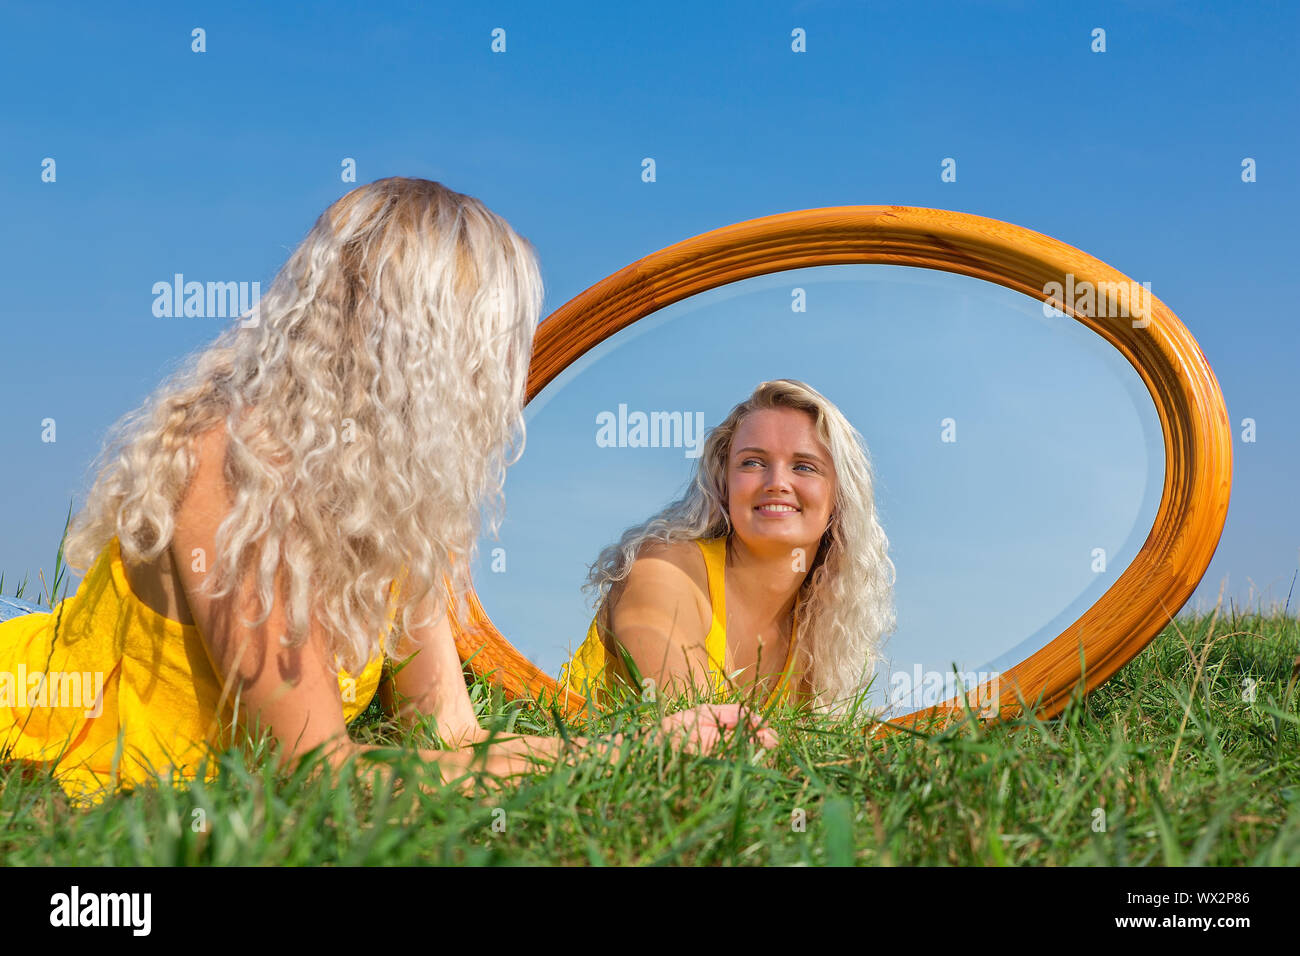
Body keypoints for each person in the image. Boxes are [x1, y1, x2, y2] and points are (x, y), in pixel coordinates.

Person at [0, 177, 775, 806]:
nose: (509, 367)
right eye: (499, 339)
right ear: (429, 350)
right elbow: (317, 777)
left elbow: (450, 737)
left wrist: (659, 744)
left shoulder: (398, 500)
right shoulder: (234, 472)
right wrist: (619, 750)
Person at [561, 379, 897, 713]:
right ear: (724, 483)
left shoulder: (821, 628)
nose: (777, 482)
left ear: (838, 497)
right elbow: (695, 728)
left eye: (804, 467)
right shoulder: (663, 568)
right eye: (753, 462)